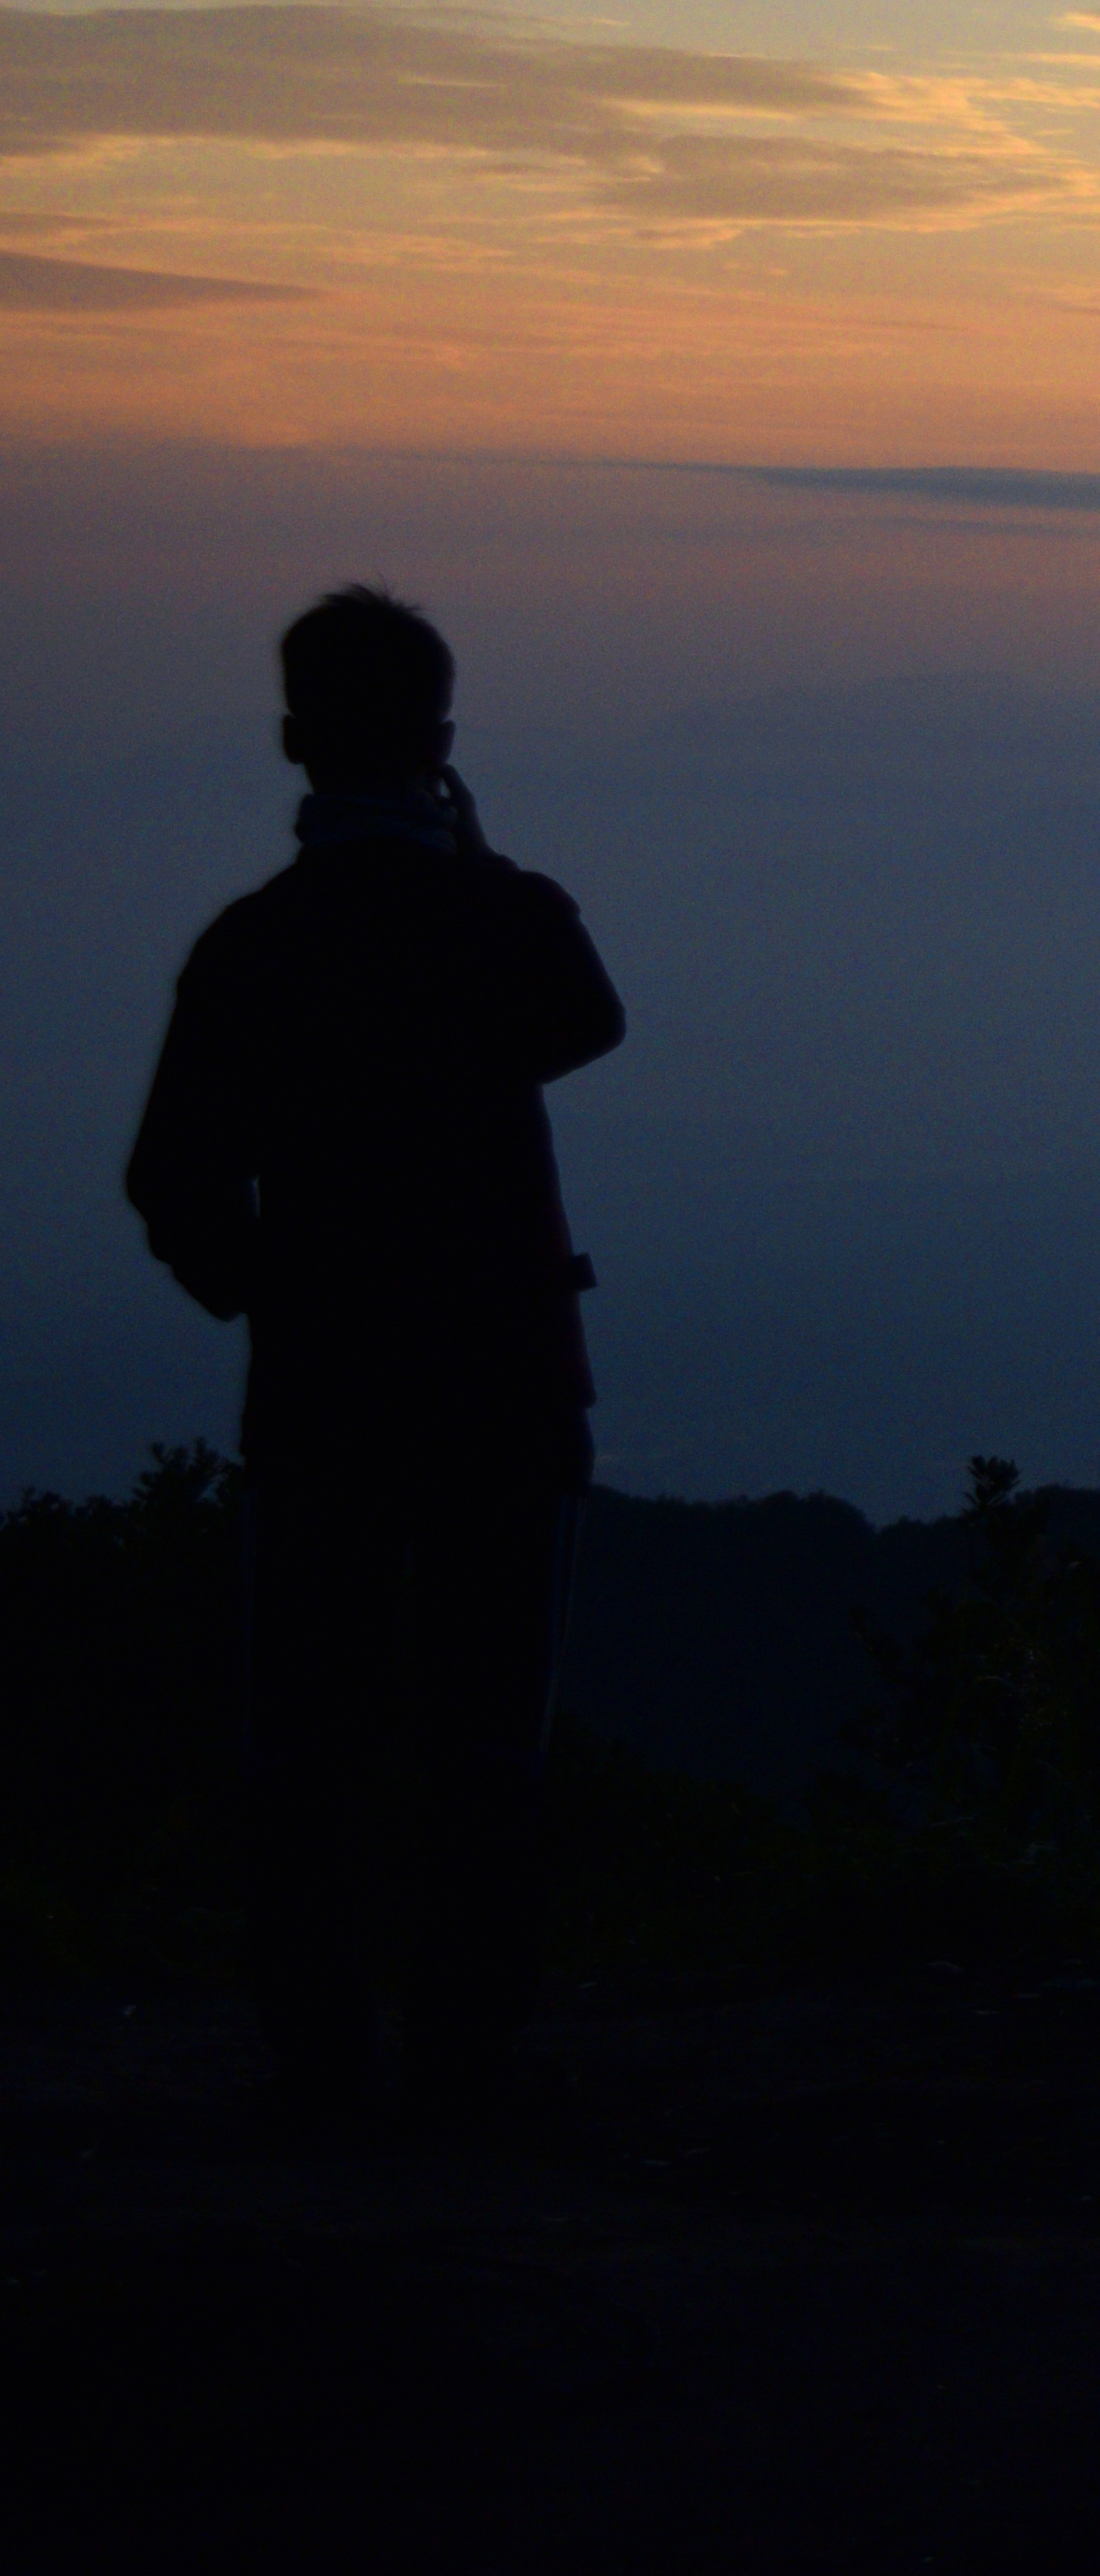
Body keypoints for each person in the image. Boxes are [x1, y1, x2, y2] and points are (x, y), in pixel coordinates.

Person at [125, 586, 626, 2121]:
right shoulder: (495, 920)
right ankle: (467, 2052)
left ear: (293, 739)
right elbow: (586, 1018)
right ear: (443, 740)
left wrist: (285, 1296)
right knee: (485, 1728)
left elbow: (173, 1184)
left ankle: (321, 2056)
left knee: (311, 1737)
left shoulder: (253, 948)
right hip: (501, 1381)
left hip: (326, 1393)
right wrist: (474, 853)